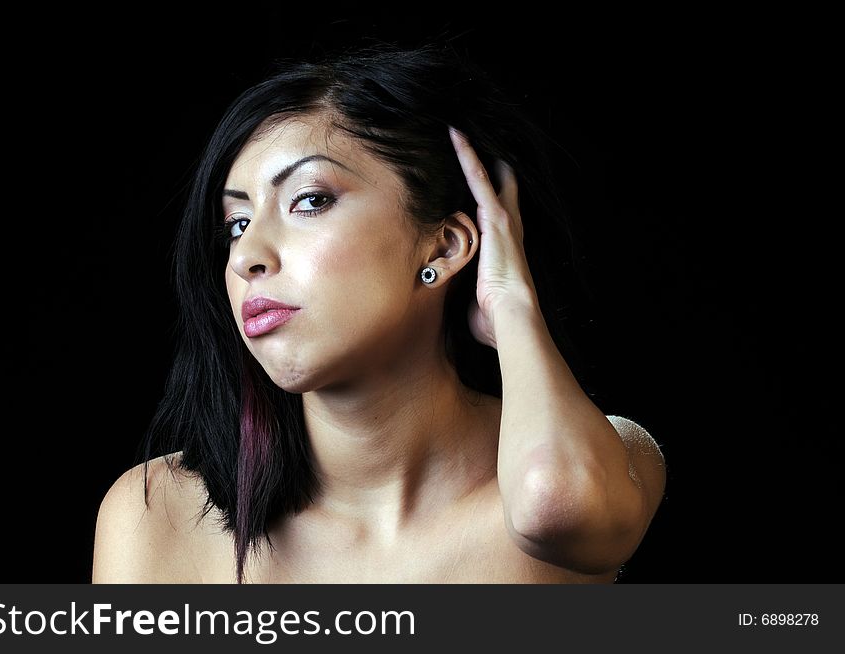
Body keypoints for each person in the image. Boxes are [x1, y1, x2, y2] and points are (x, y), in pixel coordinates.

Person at [92, 43, 666, 584]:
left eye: (309, 200)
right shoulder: (159, 514)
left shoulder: (596, 457)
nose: (245, 257)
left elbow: (558, 507)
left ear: (443, 246)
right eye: (237, 225)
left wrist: (511, 304)